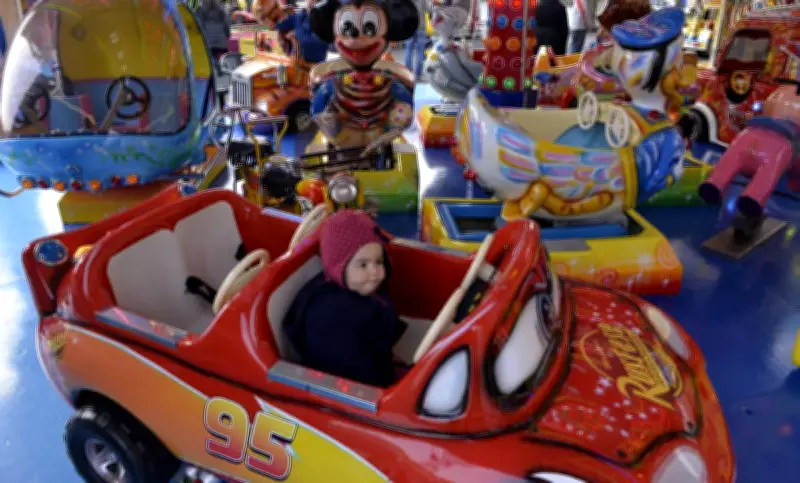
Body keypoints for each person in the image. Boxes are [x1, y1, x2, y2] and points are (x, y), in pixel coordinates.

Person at [285, 210, 407, 388]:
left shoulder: (360, 288)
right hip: (351, 388)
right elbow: (354, 374)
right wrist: (392, 381)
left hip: (377, 356)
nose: (375, 272)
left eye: (379, 261)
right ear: (338, 266)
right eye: (363, 264)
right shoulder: (331, 318)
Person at [404, 0, 429, 80]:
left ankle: (408, 72)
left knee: (409, 49)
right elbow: (428, 9)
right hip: (421, 27)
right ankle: (418, 74)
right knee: (420, 50)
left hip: (408, 27)